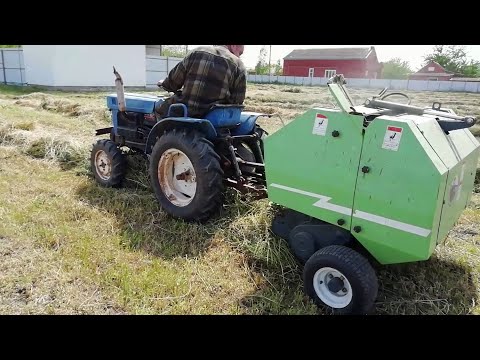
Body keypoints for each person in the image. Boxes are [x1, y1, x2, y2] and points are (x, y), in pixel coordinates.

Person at [155, 45, 247, 119]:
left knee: (158, 108)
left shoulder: (196, 52)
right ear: (233, 46)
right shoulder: (239, 66)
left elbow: (173, 82)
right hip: (214, 117)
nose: (239, 56)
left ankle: (158, 138)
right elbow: (237, 102)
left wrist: (164, 83)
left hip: (185, 110)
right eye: (240, 53)